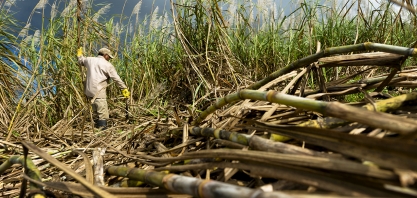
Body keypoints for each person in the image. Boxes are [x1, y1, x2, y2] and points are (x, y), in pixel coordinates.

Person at [77, 47, 130, 130]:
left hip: (89, 92)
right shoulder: (107, 65)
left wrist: (80, 55)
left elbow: (81, 61)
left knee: (95, 112)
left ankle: (95, 129)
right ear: (105, 55)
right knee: (102, 115)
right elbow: (116, 79)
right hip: (99, 93)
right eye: (109, 57)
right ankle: (102, 132)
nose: (109, 59)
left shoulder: (89, 60)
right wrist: (124, 88)